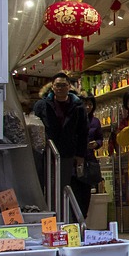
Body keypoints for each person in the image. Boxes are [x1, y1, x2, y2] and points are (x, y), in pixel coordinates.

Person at [32, 73, 89, 209]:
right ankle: (46, 214)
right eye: (58, 85)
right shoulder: (42, 105)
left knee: (63, 185)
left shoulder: (78, 107)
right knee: (44, 184)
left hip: (67, 152)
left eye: (64, 85)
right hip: (45, 152)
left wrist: (80, 155)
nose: (60, 88)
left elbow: (83, 132)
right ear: (52, 87)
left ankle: (62, 216)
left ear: (69, 87)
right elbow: (34, 127)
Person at [71, 93, 103, 218]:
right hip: (74, 161)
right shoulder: (74, 119)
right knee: (75, 191)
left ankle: (83, 220)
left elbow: (100, 138)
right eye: (85, 104)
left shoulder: (95, 121)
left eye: (90, 104)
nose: (88, 107)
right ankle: (74, 220)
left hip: (89, 160)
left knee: (86, 193)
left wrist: (96, 144)